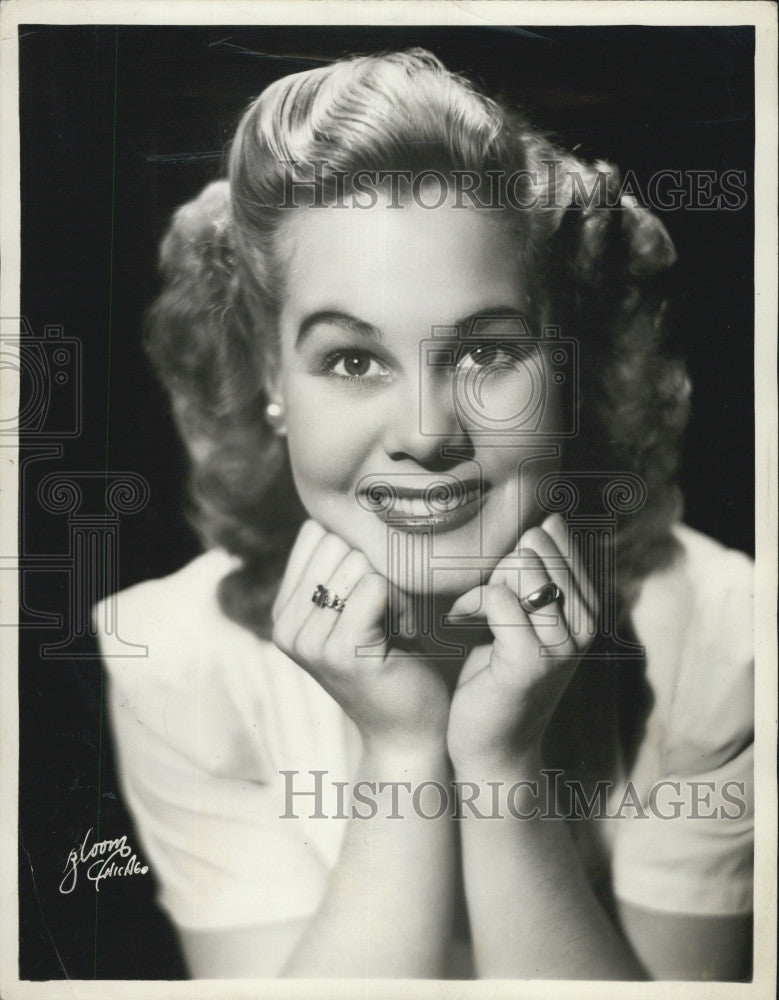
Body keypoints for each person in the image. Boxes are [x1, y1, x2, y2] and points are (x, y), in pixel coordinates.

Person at [94, 49, 753, 980]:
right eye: (353, 360)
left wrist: (501, 768)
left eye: (486, 355)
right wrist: (402, 752)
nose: (426, 433)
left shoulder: (727, 640)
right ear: (270, 381)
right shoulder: (172, 658)